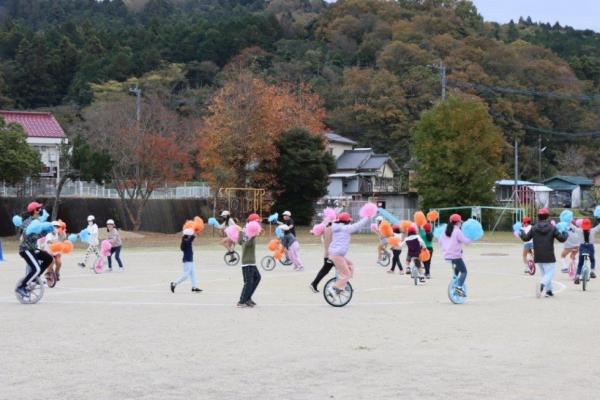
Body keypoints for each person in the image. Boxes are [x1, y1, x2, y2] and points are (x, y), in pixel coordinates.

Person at [520, 208, 568, 298]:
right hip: (548, 254)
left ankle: (549, 291)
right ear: (547, 216)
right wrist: (565, 233)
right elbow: (562, 239)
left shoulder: (534, 228)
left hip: (538, 254)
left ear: (538, 216)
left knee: (544, 274)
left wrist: (521, 232)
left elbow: (526, 238)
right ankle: (541, 286)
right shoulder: (552, 227)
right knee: (550, 272)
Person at [327, 212, 370, 297]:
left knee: (350, 264)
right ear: (347, 221)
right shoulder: (345, 228)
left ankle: (342, 284)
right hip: (337, 255)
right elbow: (358, 225)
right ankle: (334, 288)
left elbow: (334, 221)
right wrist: (367, 217)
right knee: (346, 274)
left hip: (336, 254)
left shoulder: (336, 227)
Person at [16, 202, 54, 297]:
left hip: (32, 249)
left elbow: (37, 235)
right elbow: (27, 235)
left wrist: (47, 231)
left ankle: (34, 279)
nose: (40, 210)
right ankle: (21, 287)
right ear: (34, 211)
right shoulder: (28, 222)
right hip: (25, 249)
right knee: (36, 268)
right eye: (38, 209)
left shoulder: (37, 221)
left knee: (49, 258)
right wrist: (43, 232)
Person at [438, 214, 471, 297]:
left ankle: (455, 279)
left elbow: (439, 242)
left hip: (447, 256)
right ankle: (458, 288)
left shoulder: (445, 231)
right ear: (458, 222)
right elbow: (466, 242)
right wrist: (471, 238)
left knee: (457, 269)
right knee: (464, 271)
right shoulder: (457, 231)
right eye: (460, 222)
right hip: (456, 256)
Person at [237, 215, 261, 308]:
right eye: (257, 221)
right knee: (248, 282)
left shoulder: (249, 232)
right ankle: (242, 301)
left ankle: (247, 298)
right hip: (247, 261)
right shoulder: (246, 232)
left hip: (251, 261)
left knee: (257, 278)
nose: (258, 223)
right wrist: (253, 236)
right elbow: (243, 244)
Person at [170, 228, 202, 293]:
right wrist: (195, 230)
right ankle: (174, 283)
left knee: (193, 273)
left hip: (190, 260)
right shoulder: (186, 241)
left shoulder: (185, 240)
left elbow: (192, 236)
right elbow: (193, 236)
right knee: (186, 275)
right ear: (188, 236)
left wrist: (193, 231)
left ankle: (194, 287)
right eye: (190, 235)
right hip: (187, 260)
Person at [310, 222, 334, 292]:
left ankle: (314, 284)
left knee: (325, 271)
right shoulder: (330, 230)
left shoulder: (324, 232)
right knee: (341, 270)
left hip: (327, 254)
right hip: (332, 255)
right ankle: (340, 286)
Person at [574, 218, 600, 284]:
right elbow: (598, 226)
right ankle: (592, 271)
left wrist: (570, 222)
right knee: (592, 260)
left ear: (582, 225)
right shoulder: (593, 230)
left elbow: (572, 227)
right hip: (590, 247)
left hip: (582, 247)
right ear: (590, 225)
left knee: (580, 263)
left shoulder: (579, 230)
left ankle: (577, 276)